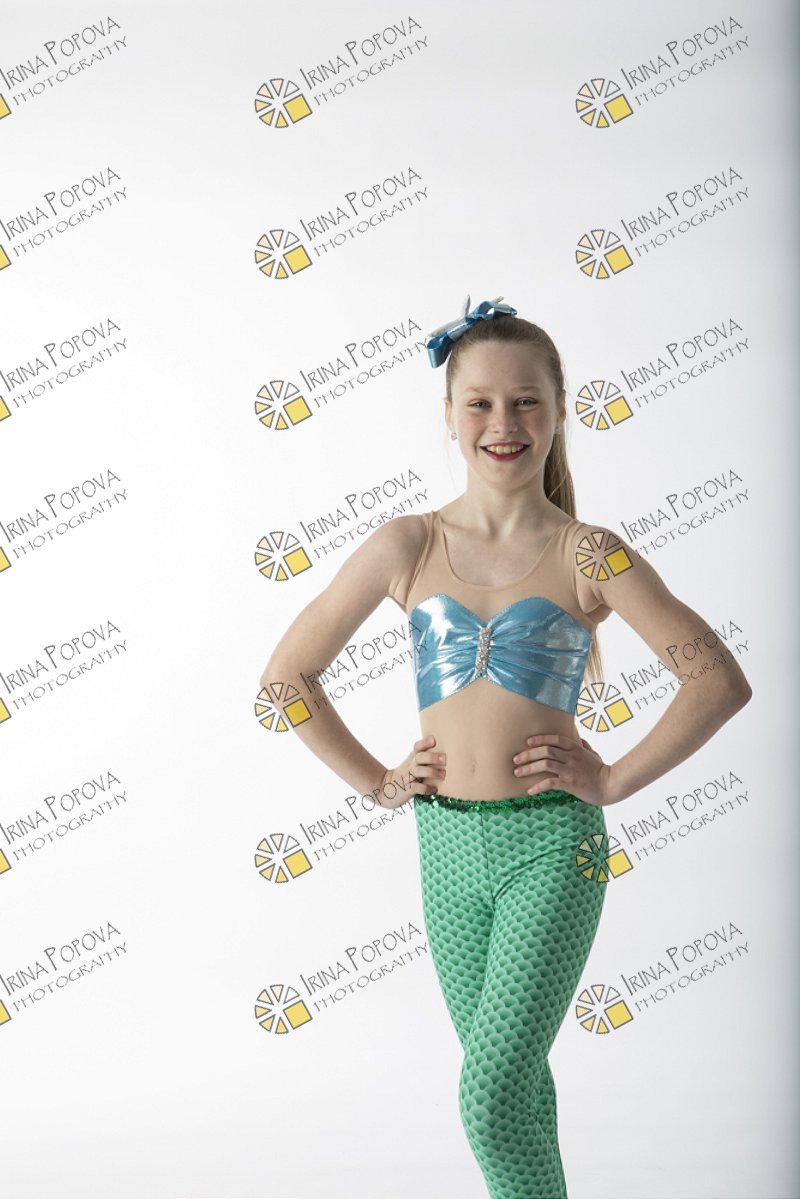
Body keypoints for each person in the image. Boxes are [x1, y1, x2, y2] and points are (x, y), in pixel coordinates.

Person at [260, 295, 752, 1199]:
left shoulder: (591, 554)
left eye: (527, 401)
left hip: (553, 846)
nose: (504, 423)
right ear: (450, 415)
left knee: (487, 1096)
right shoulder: (405, 544)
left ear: (560, 410)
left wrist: (612, 778)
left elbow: (716, 679)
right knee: (515, 1092)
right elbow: (286, 680)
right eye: (480, 403)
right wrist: (378, 781)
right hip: (443, 847)